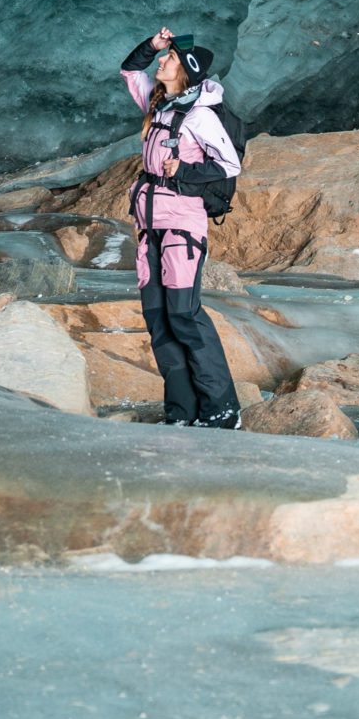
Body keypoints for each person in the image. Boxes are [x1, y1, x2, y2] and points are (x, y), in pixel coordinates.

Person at [118, 24, 243, 429]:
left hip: (182, 229)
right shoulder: (159, 105)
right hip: (150, 226)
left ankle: (221, 411)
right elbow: (129, 72)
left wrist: (184, 168)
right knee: (159, 321)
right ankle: (181, 412)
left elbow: (229, 164)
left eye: (169, 58)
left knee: (185, 316)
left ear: (185, 72)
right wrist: (151, 44)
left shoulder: (201, 116)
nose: (161, 60)